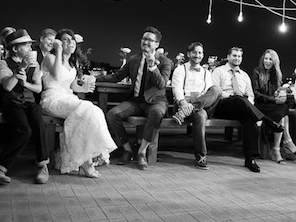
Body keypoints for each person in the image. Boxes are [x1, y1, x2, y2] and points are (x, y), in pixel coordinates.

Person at [40, 29, 116, 177]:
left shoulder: (72, 62)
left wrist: (84, 88)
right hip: (52, 98)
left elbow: (72, 85)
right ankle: (88, 161)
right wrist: (59, 51)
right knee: (87, 109)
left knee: (94, 110)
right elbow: (56, 75)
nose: (71, 42)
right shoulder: (50, 57)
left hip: (67, 97)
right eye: (66, 40)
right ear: (58, 43)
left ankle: (87, 159)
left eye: (72, 39)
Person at [96, 26, 172, 171]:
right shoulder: (133, 60)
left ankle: (142, 152)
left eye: (150, 40)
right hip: (136, 101)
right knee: (112, 115)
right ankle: (127, 149)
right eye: (144, 39)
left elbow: (162, 84)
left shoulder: (165, 62)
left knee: (156, 113)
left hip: (156, 101)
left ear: (157, 44)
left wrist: (152, 67)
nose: (146, 42)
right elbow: (116, 76)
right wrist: (96, 79)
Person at [0, 29, 50, 185]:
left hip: (28, 102)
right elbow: (8, 87)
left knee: (39, 121)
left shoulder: (34, 66)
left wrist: (26, 82)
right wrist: (20, 69)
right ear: (15, 49)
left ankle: (43, 165)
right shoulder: (4, 64)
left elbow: (38, 88)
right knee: (24, 131)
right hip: (12, 102)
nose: (30, 49)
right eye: (26, 45)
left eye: (29, 45)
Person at [211, 47, 284, 173]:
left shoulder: (244, 76)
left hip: (241, 108)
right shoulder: (218, 71)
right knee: (239, 99)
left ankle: (250, 159)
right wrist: (234, 97)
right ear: (228, 57)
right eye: (234, 55)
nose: (237, 58)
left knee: (249, 117)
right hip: (223, 105)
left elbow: (250, 95)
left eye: (239, 56)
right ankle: (266, 119)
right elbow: (214, 91)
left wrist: (247, 103)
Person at [171, 42, 222, 170]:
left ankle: (200, 156)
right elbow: (177, 89)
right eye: (194, 52)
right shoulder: (180, 69)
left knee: (216, 90)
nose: (197, 55)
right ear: (189, 54)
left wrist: (193, 106)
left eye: (200, 53)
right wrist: (183, 103)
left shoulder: (206, 72)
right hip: (182, 104)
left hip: (199, 105)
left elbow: (208, 94)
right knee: (201, 115)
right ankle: (201, 156)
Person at [252, 49, 296, 164]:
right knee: (283, 112)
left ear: (275, 61)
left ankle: (277, 149)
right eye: (266, 58)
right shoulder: (257, 72)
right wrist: (274, 99)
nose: (267, 61)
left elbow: (275, 92)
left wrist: (280, 94)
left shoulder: (276, 74)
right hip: (260, 105)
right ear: (262, 59)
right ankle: (285, 143)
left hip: (271, 105)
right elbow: (256, 93)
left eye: (270, 59)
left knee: (283, 110)